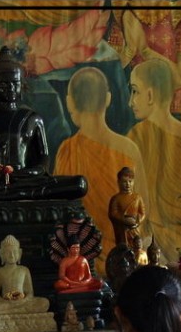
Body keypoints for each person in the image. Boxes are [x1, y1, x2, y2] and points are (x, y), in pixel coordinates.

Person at [0, 46, 88, 202]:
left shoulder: (33, 119)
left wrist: (23, 174)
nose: (10, 88)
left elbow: (44, 161)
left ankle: (8, 193)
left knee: (79, 184)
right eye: (3, 84)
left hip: (27, 180)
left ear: (22, 85)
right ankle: (13, 192)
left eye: (15, 83)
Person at [54, 67, 147, 273]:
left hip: (83, 262)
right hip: (125, 261)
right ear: (107, 99)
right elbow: (143, 211)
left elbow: (61, 214)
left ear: (69, 102)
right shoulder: (128, 149)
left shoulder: (66, 150)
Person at [127, 57, 181, 265]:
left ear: (150, 95)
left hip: (151, 243)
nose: (130, 101)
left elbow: (135, 199)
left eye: (135, 91)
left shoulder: (135, 137)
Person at [0, 235, 50, 315]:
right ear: (1, 254)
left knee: (44, 302)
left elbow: (30, 293)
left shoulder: (24, 270)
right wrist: (5, 301)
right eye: (8, 252)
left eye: (14, 252)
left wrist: (23, 301)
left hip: (22, 302)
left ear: (20, 253)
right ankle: (19, 311)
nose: (12, 255)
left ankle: (9, 312)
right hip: (5, 303)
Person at [108, 167, 147, 249]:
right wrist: (124, 219)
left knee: (136, 248)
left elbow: (142, 213)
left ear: (133, 182)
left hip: (135, 229)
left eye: (130, 181)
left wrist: (137, 221)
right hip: (122, 231)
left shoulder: (137, 197)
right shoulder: (116, 198)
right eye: (124, 182)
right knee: (123, 248)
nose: (128, 184)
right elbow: (112, 214)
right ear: (119, 182)